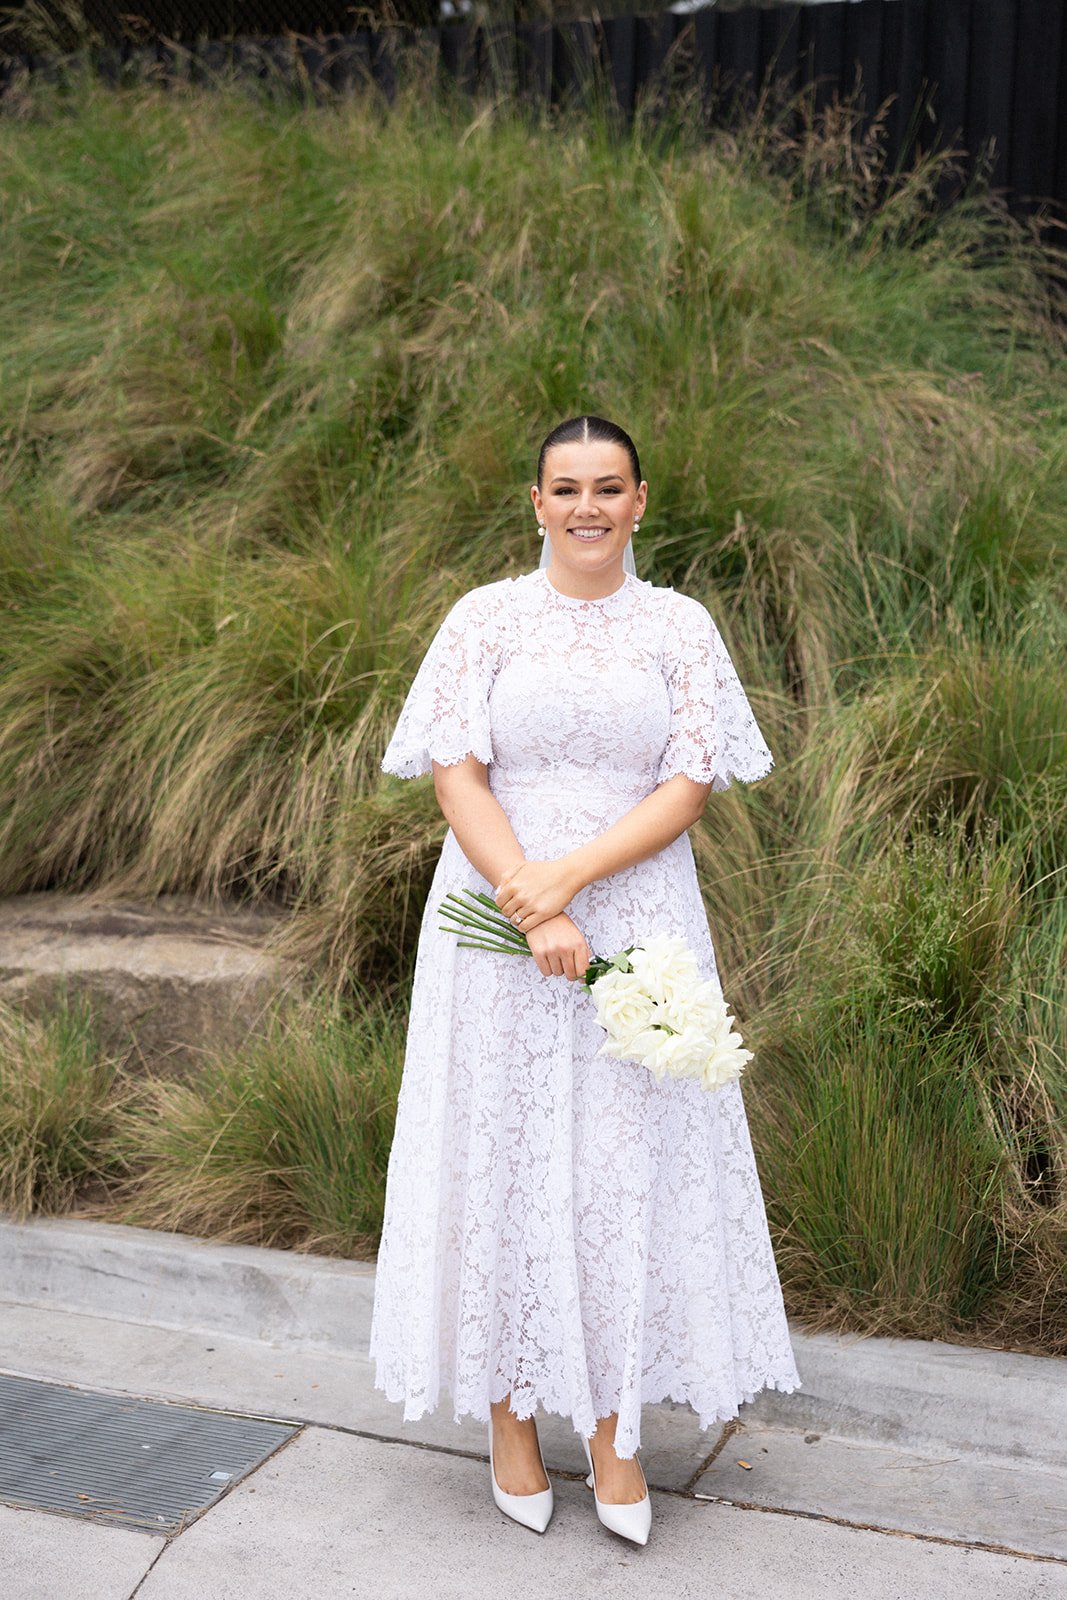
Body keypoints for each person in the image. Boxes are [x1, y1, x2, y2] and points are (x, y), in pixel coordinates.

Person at [369, 414, 802, 1545]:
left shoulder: (678, 626)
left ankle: (615, 1430)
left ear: (640, 501)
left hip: (637, 910)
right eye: (566, 488)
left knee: (624, 1159)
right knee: (503, 1143)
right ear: (536, 502)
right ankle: (509, 1419)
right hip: (497, 922)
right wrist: (528, 892)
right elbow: (454, 767)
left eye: (608, 488)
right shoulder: (484, 619)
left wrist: (573, 877)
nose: (587, 508)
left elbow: (687, 779)